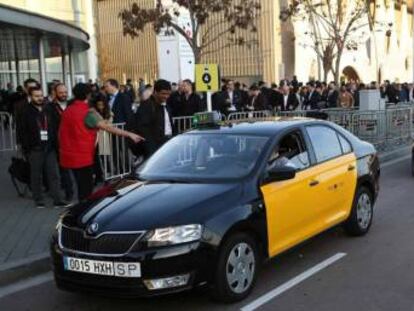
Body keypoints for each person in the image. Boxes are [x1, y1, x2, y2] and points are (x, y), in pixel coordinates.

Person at [59, 83, 144, 201]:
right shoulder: (88, 113)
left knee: (79, 185)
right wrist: (129, 134)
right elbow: (108, 128)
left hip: (68, 155)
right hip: (82, 157)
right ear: (88, 95)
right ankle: (83, 212)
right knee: (85, 190)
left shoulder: (68, 110)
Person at [21, 86, 69, 209]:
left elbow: (54, 126)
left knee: (54, 174)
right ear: (30, 97)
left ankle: (57, 199)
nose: (39, 98)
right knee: (36, 175)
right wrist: (27, 148)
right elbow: (22, 132)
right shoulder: (25, 111)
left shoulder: (48, 109)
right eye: (36, 96)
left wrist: (55, 144)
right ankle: (39, 199)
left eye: (41, 95)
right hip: (35, 148)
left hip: (50, 147)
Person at [128, 79, 173, 158]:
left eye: (168, 94)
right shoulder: (146, 106)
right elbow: (143, 130)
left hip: (167, 144)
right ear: (155, 92)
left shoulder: (166, 105)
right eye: (163, 93)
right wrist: (151, 150)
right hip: (154, 148)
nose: (166, 96)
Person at [45, 83, 74, 202]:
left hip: (73, 142)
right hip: (58, 143)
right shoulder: (50, 107)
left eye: (65, 92)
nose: (64, 95)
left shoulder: (72, 105)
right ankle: (69, 193)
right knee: (64, 170)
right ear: (55, 93)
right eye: (61, 93)